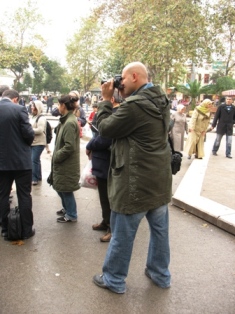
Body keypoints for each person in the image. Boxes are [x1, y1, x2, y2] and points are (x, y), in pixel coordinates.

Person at [92, 62, 172, 294]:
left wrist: (106, 100)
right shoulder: (161, 100)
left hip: (134, 183)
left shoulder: (136, 106)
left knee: (122, 234)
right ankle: (160, 274)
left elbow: (105, 129)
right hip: (159, 181)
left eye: (123, 80)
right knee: (160, 231)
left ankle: (113, 279)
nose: (120, 84)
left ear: (135, 76)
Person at [86, 90, 121, 243]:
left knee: (110, 198)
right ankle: (105, 221)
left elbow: (105, 138)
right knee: (103, 197)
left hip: (109, 162)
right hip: (101, 162)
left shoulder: (116, 114)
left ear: (112, 99)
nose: (100, 102)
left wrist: (90, 144)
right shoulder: (111, 112)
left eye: (103, 99)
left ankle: (112, 229)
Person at [0, 89, 35, 240]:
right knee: (24, 196)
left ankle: (6, 229)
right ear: (15, 99)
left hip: (2, 162)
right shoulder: (19, 109)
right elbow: (28, 134)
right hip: (21, 161)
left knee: (2, 195)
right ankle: (26, 230)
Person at [51, 94, 80, 223]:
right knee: (60, 187)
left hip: (66, 163)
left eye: (58, 104)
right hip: (63, 162)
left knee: (65, 189)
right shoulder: (66, 120)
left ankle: (71, 214)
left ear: (63, 105)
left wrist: (56, 156)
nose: (57, 107)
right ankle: (67, 209)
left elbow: (69, 147)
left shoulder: (69, 122)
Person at [30, 100, 47, 185]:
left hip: (39, 142)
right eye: (32, 106)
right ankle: (38, 176)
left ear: (38, 107)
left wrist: (29, 130)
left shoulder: (41, 118)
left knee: (33, 160)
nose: (32, 107)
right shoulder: (33, 117)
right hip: (33, 142)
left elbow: (40, 130)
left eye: (34, 106)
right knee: (36, 160)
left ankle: (34, 178)